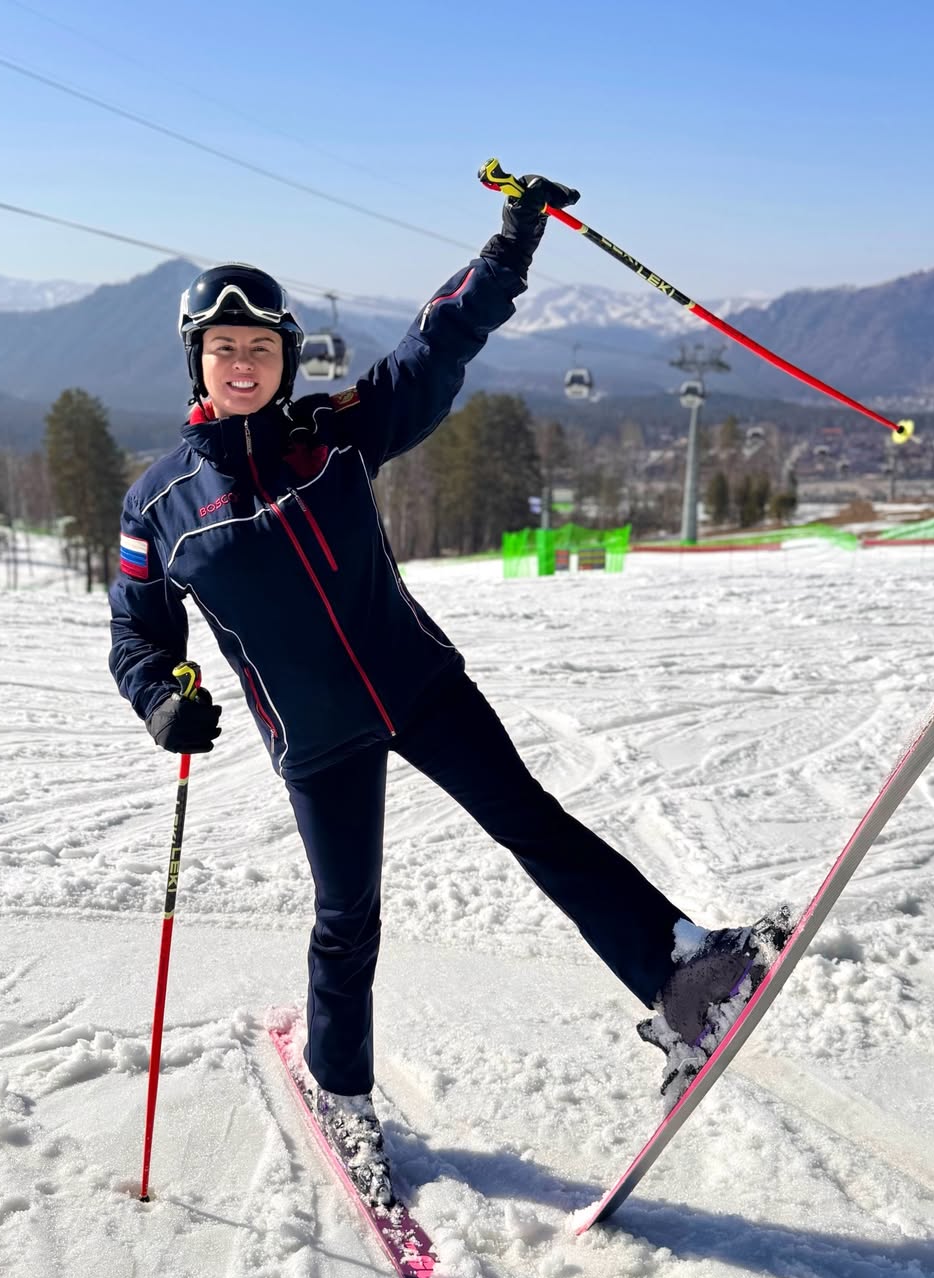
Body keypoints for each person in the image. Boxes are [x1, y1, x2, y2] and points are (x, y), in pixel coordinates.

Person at [109, 173, 789, 1207]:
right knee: (348, 919)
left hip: (419, 683)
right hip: (318, 737)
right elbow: (138, 634)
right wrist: (163, 696)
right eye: (222, 348)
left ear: (284, 357)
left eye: (260, 348)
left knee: (533, 822)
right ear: (196, 361)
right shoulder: (158, 504)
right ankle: (344, 1097)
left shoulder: (332, 432)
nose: (242, 363)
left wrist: (510, 248)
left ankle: (684, 976)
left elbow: (433, 351)